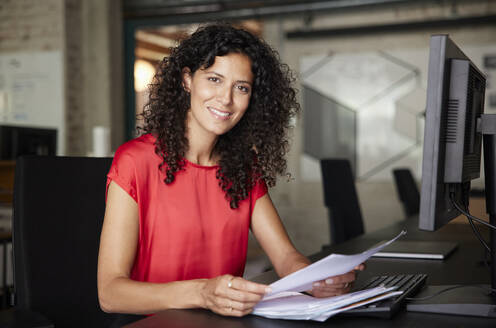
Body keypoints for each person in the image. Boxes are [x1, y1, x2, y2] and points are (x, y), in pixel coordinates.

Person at [97, 23, 364, 322]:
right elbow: (110, 293)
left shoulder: (243, 167)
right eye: (214, 79)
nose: (226, 99)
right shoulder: (135, 161)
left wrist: (319, 281)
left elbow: (286, 257)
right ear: (187, 80)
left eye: (241, 88)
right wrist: (202, 293)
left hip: (221, 322)